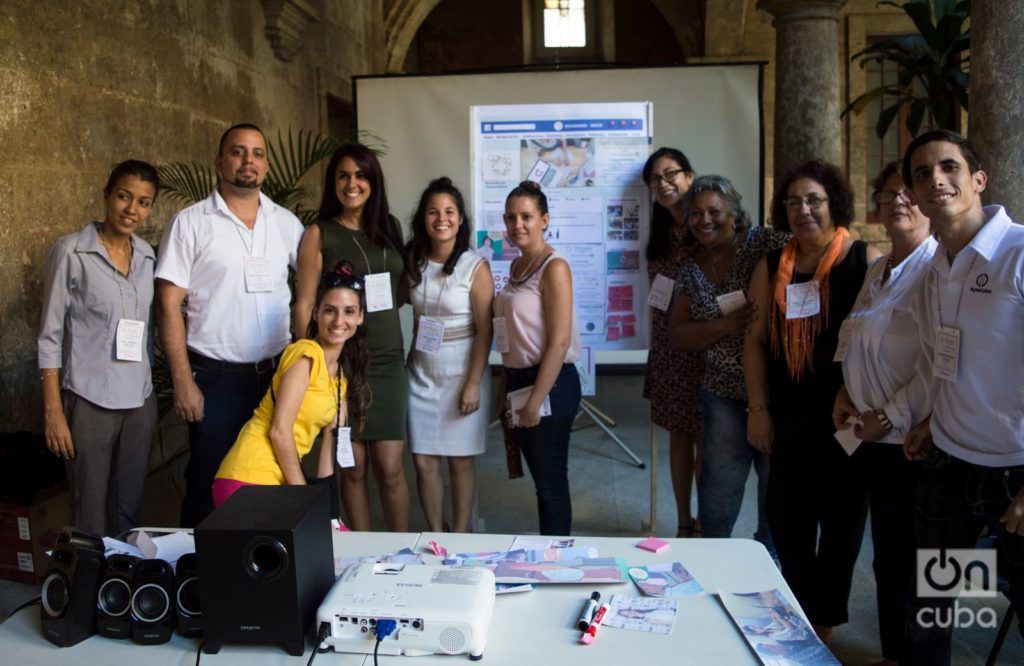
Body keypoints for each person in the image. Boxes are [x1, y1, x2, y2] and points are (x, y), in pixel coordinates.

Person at [896, 130, 1024, 665]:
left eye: (948, 167)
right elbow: (944, 358)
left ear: (978, 179)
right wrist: (931, 418)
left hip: (1015, 472)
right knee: (930, 608)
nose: (935, 180)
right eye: (922, 174)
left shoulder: (1018, 252)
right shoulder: (934, 267)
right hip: (949, 464)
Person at [743, 160, 881, 643]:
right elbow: (756, 340)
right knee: (786, 516)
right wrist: (757, 409)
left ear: (833, 204)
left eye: (814, 200)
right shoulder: (771, 265)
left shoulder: (863, 260)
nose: (803, 210)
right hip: (787, 415)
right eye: (794, 202)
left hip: (845, 415)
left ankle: (823, 620)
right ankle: (802, 609)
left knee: (842, 524)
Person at [156, 123, 304, 527]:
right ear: (219, 161)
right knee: (209, 483)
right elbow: (168, 305)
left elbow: (312, 291)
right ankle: (200, 580)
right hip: (215, 380)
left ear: (267, 165)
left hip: (275, 377)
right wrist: (183, 381)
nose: (247, 161)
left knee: (270, 480)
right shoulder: (190, 223)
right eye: (238, 152)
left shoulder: (286, 223)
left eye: (256, 153)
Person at [831, 162, 936, 666]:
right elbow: (852, 334)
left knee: (924, 565)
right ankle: (897, 656)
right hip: (866, 432)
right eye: (887, 192)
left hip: (910, 439)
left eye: (907, 192)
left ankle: (920, 658)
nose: (897, 200)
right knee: (889, 557)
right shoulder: (879, 267)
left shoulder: (938, 268)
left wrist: (890, 415)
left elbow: (940, 364)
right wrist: (844, 393)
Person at [38, 159, 161, 536]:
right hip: (89, 400)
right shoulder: (71, 253)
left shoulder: (146, 256)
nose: (131, 209)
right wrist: (54, 411)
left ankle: (118, 590)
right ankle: (86, 590)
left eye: (143, 202)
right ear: (107, 195)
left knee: (128, 509)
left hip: (139, 400)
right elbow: (49, 336)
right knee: (89, 512)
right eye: (124, 197)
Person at [294, 143, 409, 532]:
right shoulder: (318, 233)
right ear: (333, 183)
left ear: (373, 182)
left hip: (390, 362)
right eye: (343, 175)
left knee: (391, 469)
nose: (352, 183)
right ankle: (364, 554)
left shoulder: (389, 227)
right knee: (354, 470)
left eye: (360, 175)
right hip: (344, 364)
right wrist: (308, 363)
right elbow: (305, 302)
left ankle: (403, 550)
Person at [670, 175, 788, 547]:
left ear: (734, 215)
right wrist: (725, 325)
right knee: (716, 499)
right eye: (696, 213)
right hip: (721, 394)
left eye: (714, 211)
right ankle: (716, 569)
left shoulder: (764, 243)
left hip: (776, 392)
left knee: (777, 497)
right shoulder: (691, 269)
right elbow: (679, 333)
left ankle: (771, 571)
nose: (705, 220)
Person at [213, 263, 368, 507]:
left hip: (277, 485)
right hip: (247, 479)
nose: (339, 320)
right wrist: (303, 500)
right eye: (330, 310)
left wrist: (330, 514)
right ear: (316, 313)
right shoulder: (305, 354)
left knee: (333, 536)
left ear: (359, 317)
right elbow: (279, 431)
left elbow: (328, 453)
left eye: (349, 311)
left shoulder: (339, 379)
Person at [405, 177, 494, 533]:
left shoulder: (476, 266)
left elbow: (486, 331)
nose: (441, 218)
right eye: (433, 212)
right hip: (421, 375)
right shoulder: (413, 261)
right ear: (423, 219)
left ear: (460, 219)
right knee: (424, 461)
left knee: (459, 463)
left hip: (462, 375)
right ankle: (436, 533)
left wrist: (472, 384)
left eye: (449, 212)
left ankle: (460, 535)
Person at [494, 181, 582, 536]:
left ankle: (559, 563)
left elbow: (559, 342)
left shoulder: (553, 267)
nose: (519, 224)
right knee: (541, 483)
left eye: (527, 216)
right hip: (519, 381)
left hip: (549, 384)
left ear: (544, 219)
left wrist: (535, 400)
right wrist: (506, 387)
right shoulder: (517, 268)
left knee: (551, 486)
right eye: (512, 217)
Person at [641, 147, 703, 537]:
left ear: (689, 177)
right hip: (668, 347)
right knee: (679, 438)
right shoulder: (661, 230)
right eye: (656, 179)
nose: (663, 184)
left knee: (706, 440)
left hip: (706, 345)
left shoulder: (707, 222)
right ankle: (683, 520)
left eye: (671, 174)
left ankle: (709, 520)